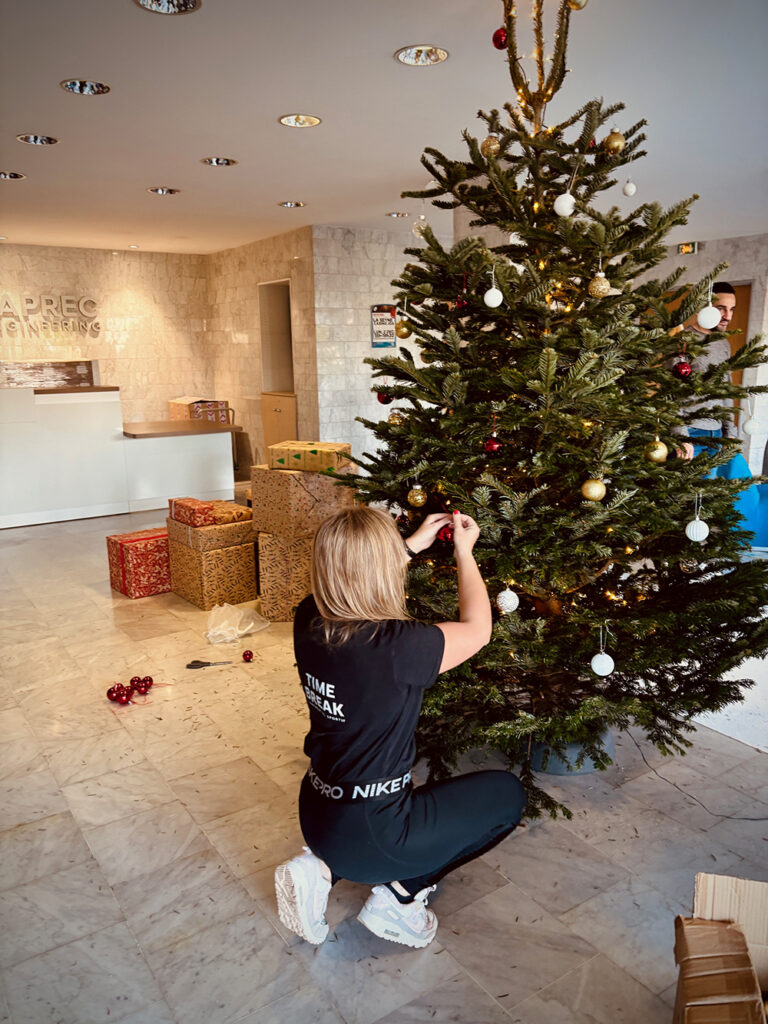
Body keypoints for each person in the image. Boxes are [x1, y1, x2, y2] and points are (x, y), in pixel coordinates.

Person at [274, 505, 526, 948]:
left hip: (316, 808)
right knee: (507, 796)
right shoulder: (397, 645)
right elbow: (478, 629)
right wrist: (464, 553)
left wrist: (410, 545)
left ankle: (321, 867)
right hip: (375, 832)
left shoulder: (307, 617)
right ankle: (399, 897)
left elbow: (353, 577)